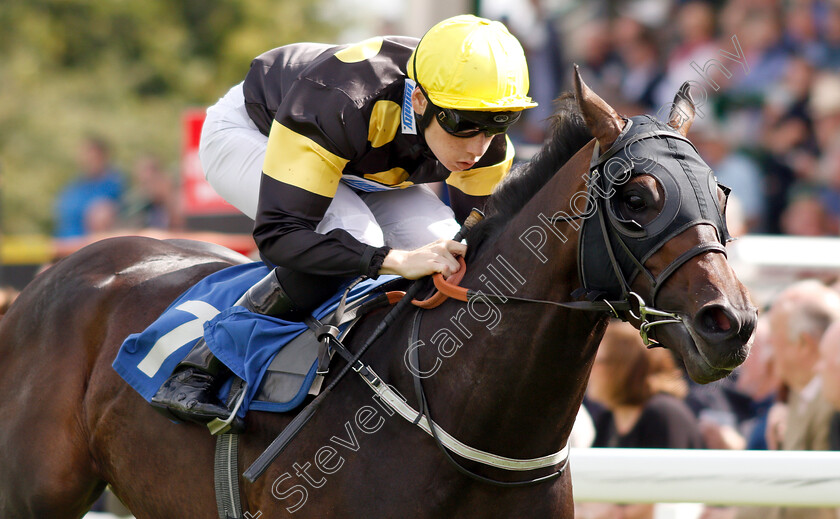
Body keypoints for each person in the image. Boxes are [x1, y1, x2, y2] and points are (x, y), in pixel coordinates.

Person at [152, 15, 537, 425]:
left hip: (359, 159)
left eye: (501, 123)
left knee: (444, 245)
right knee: (359, 236)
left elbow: (480, 240)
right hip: (258, 130)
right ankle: (199, 365)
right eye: (462, 125)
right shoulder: (340, 102)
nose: (479, 146)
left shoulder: (486, 143)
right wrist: (392, 260)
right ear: (421, 101)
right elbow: (280, 236)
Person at [578, 320, 704, 519]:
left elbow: (666, 497)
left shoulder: (663, 414)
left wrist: (611, 513)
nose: (588, 370)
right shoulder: (608, 418)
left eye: (597, 361)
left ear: (623, 366)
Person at [53, 136, 125, 239]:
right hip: (65, 244)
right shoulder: (75, 185)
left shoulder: (113, 184)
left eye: (92, 156)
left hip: (90, 247)